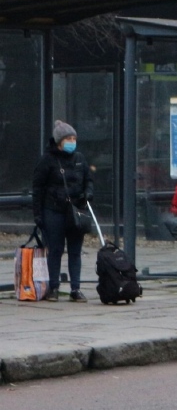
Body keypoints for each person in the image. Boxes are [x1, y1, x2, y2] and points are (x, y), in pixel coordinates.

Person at [31, 120, 92, 302]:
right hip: (54, 211)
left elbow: (88, 180)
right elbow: (38, 188)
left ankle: (75, 288)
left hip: (75, 211)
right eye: (68, 138)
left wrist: (88, 193)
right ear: (59, 141)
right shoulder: (47, 160)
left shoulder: (80, 159)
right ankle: (54, 287)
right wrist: (38, 215)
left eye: (74, 138)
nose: (72, 141)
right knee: (55, 250)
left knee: (75, 251)